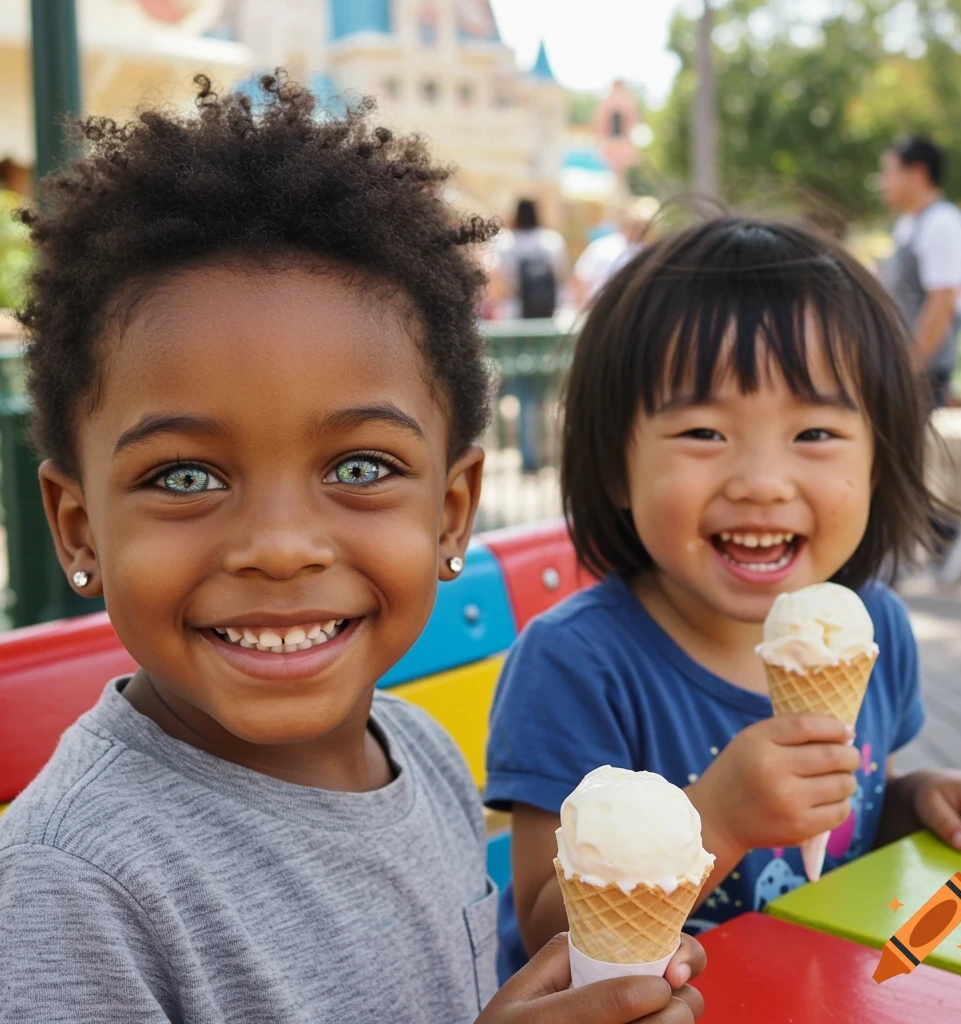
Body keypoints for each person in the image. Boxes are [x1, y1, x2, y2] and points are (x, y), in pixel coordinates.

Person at [0, 74, 706, 1024]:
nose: (281, 548)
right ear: (79, 528)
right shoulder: (71, 890)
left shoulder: (422, 751)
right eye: (184, 477)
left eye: (362, 465)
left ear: (453, 512)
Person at [483, 218, 961, 983]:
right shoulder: (577, 664)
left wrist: (923, 801)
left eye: (814, 433)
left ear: (878, 460)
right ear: (615, 467)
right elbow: (545, 930)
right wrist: (718, 819)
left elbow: (851, 815)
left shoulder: (876, 632)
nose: (762, 481)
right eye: (704, 431)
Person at [878, 135, 961, 583]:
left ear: (917, 173)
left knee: (892, 457)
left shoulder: (942, 225)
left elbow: (941, 304)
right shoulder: (914, 225)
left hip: (918, 369)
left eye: (888, 171)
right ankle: (936, 537)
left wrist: (909, 364)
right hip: (903, 366)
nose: (882, 183)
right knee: (896, 458)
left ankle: (940, 536)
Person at [488, 199, 569, 472]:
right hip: (547, 325)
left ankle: (530, 455)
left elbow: (499, 284)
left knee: (524, 392)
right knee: (547, 391)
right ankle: (548, 449)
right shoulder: (551, 241)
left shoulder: (505, 243)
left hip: (517, 328)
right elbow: (561, 278)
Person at [572, 195, 659, 308]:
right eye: (631, 223)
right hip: (601, 309)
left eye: (639, 225)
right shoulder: (602, 247)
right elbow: (580, 278)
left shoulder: (652, 251)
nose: (634, 229)